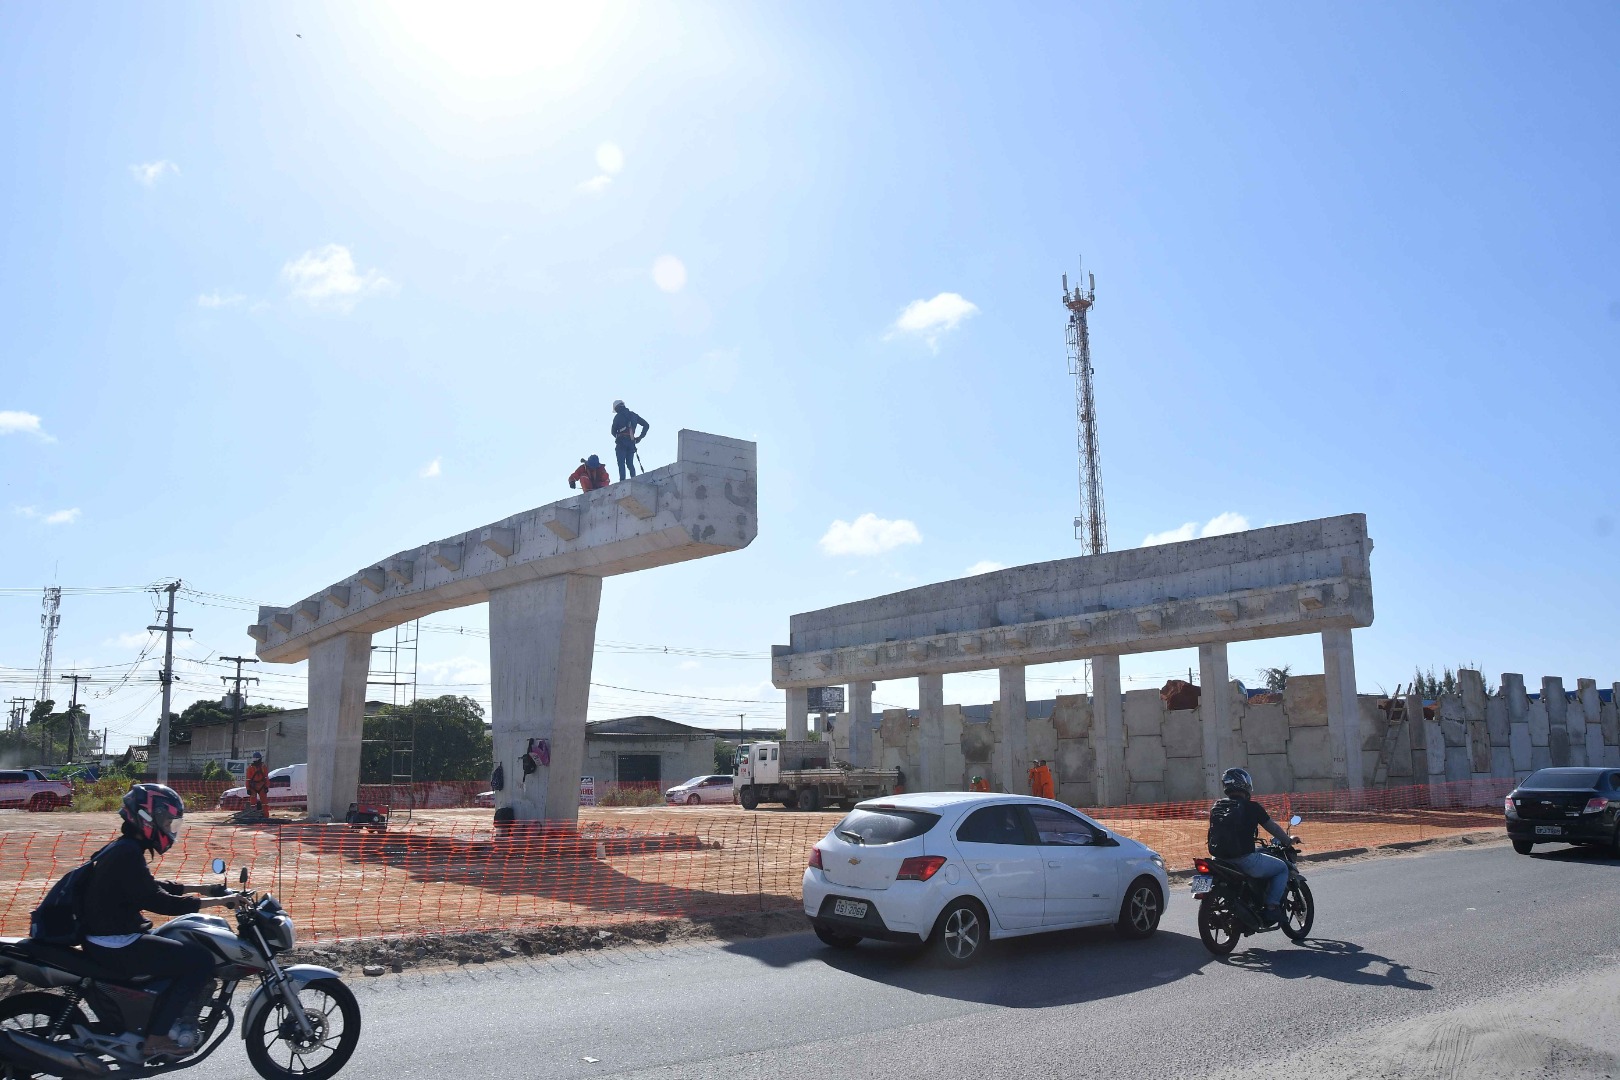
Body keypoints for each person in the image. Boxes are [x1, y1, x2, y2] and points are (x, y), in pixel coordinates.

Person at [80, 784, 238, 1058]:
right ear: (147, 817)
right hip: (115, 942)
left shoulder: (124, 848)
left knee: (174, 949)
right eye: (166, 821)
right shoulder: (127, 853)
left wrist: (203, 888)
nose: (169, 828)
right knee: (200, 961)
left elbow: (150, 887)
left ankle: (151, 1017)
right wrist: (219, 903)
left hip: (108, 938)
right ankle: (157, 1038)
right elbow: (159, 901)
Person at [1207, 767, 1295, 925]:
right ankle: (1272, 908)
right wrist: (1287, 841)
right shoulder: (1252, 807)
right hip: (1243, 860)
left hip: (1218, 859)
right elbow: (1272, 828)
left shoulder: (1217, 806)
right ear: (1245, 785)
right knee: (1282, 868)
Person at [610, 399, 649, 481]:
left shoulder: (618, 417)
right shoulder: (633, 415)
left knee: (621, 463)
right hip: (631, 442)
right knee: (630, 464)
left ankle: (622, 481)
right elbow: (646, 425)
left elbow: (613, 431)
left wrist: (619, 437)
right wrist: (640, 437)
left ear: (617, 408)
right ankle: (633, 480)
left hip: (621, 442)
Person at [244, 751, 269, 818]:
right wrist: (248, 789)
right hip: (254, 787)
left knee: (264, 802)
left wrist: (266, 787)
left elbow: (266, 778)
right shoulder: (251, 768)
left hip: (261, 786)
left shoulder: (263, 767)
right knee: (253, 803)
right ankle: (254, 816)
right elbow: (248, 779)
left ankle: (265, 816)